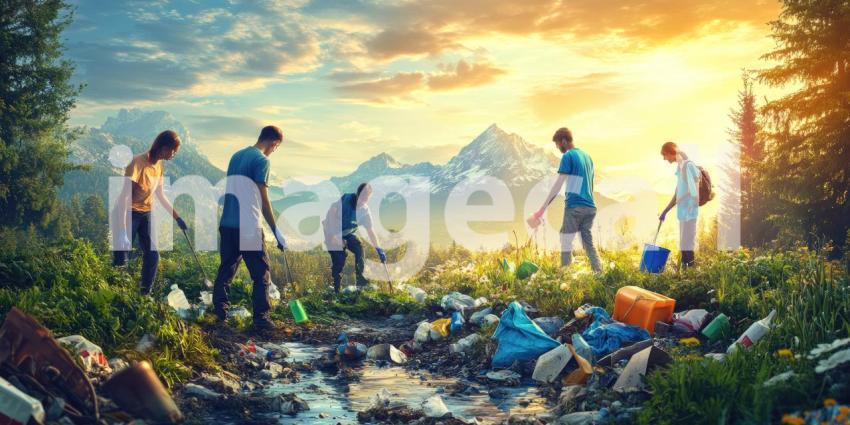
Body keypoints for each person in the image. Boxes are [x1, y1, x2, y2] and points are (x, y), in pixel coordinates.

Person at [212, 125, 287, 330]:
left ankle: (220, 314)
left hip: (227, 223)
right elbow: (263, 199)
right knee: (261, 274)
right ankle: (261, 319)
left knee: (226, 270)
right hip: (249, 226)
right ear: (274, 143)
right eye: (276, 147)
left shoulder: (236, 156)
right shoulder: (262, 161)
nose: (274, 150)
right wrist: (276, 231)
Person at [112, 130, 187, 295]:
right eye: (173, 150)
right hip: (127, 212)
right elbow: (125, 197)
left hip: (146, 213)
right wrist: (123, 230)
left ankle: (145, 295)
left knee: (153, 255)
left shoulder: (159, 165)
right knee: (122, 257)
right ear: (163, 148)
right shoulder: (137, 163)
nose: (174, 154)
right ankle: (115, 295)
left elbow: (160, 194)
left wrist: (177, 217)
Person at [531, 127, 603, 272]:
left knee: (565, 238)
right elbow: (589, 182)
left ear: (564, 141)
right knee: (588, 242)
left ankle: (565, 274)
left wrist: (543, 207)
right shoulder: (587, 157)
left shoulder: (568, 156)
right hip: (590, 206)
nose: (558, 148)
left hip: (575, 206)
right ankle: (599, 272)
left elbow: (558, 184)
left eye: (557, 144)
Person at [322, 183, 386, 292]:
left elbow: (370, 231)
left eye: (367, 198)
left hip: (347, 233)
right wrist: (334, 235)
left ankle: (361, 284)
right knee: (340, 259)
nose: (364, 200)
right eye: (362, 196)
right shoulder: (346, 200)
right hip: (331, 230)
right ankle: (336, 290)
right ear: (357, 193)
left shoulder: (365, 211)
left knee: (359, 248)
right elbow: (332, 214)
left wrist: (379, 248)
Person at [659, 141, 700, 267]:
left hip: (689, 212)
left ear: (670, 153)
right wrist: (665, 210)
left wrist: (681, 199)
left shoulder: (688, 166)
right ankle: (685, 276)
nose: (665, 159)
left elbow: (694, 191)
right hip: (683, 214)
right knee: (684, 246)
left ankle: (692, 277)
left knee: (687, 246)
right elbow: (678, 192)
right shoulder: (680, 167)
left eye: (665, 155)